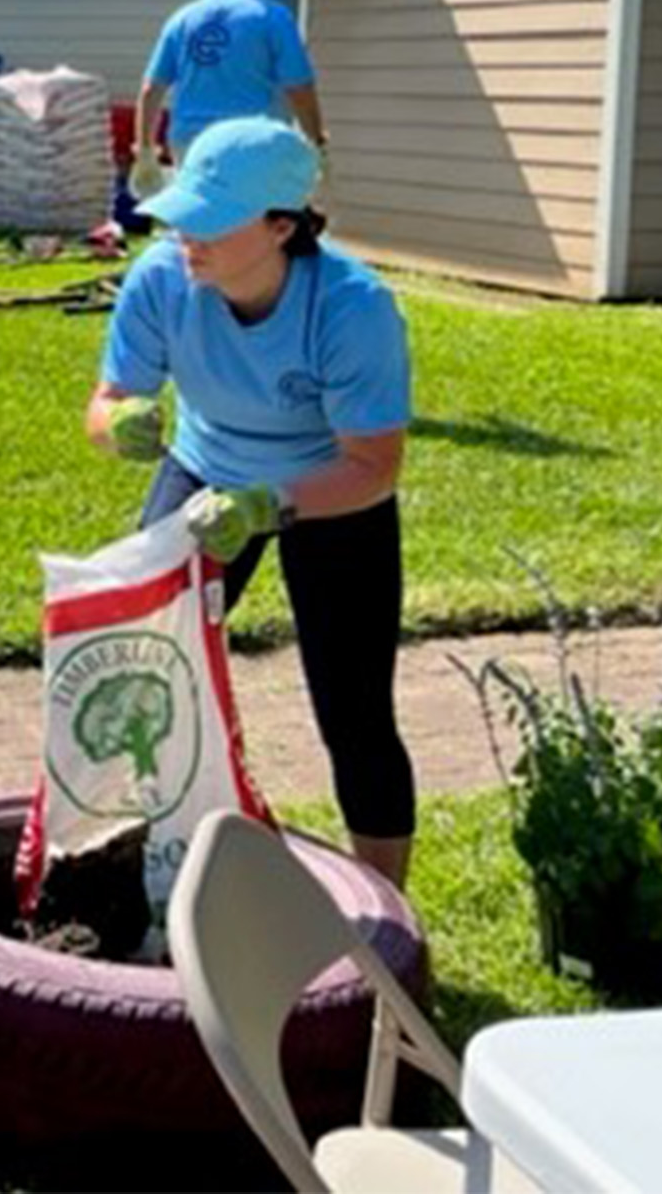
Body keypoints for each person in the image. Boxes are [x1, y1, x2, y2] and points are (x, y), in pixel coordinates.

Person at [84, 117, 416, 887]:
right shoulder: (163, 278)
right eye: (182, 210)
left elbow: (373, 467)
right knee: (147, 675)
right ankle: (143, 870)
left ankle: (390, 922)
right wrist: (120, 424)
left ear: (282, 225)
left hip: (326, 489)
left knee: (355, 712)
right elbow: (104, 404)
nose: (182, 231)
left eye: (208, 215)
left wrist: (268, 505)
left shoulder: (353, 308)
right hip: (204, 468)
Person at [136, 0, 324, 184]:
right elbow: (299, 87)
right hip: (251, 141)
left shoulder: (182, 19)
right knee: (248, 218)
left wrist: (146, 149)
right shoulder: (272, 16)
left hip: (191, 141)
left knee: (196, 217)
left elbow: (151, 90)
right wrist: (316, 142)